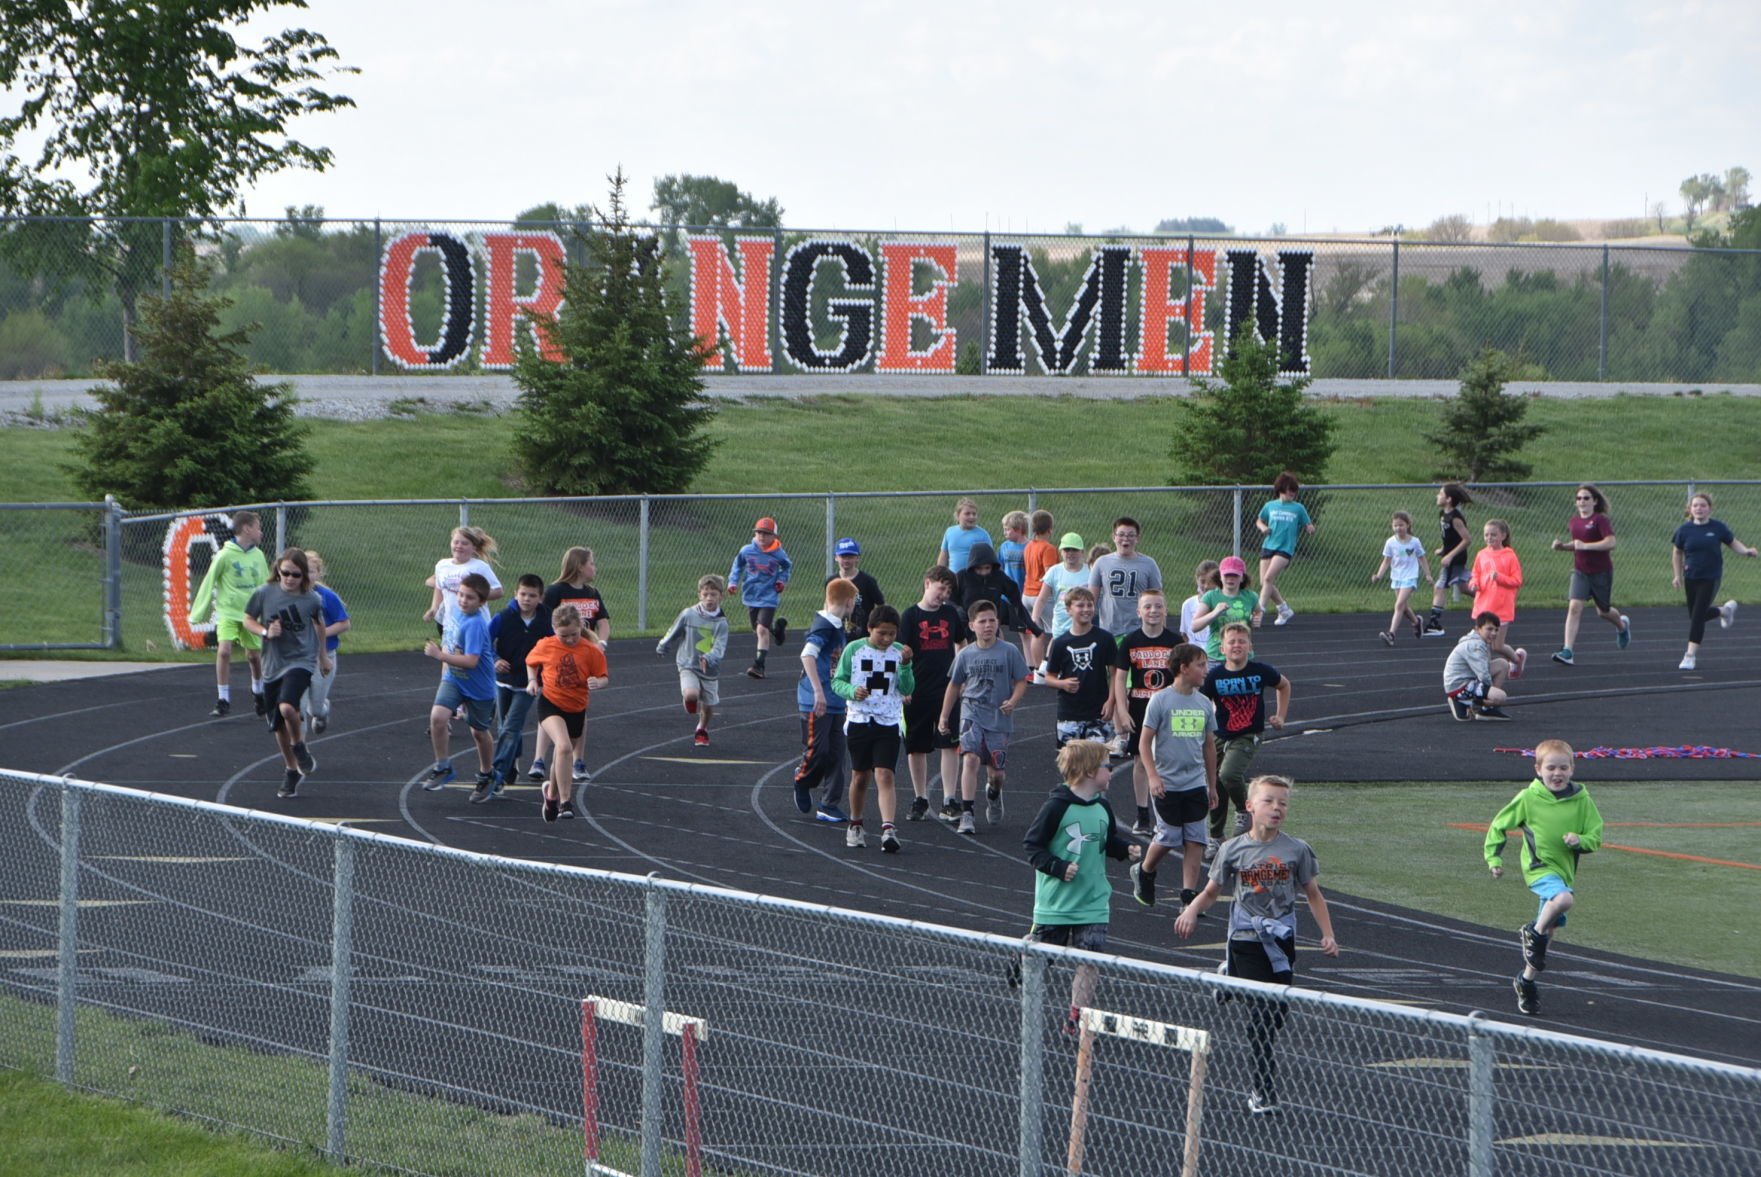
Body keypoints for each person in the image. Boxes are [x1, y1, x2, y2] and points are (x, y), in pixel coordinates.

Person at [1175, 774, 1340, 1114]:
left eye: (1282, 803)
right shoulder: (1232, 849)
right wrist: (1191, 911)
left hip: (1280, 941)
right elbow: (1211, 890)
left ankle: (1229, 978)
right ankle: (1263, 1089)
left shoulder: (1297, 850)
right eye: (1268, 801)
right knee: (1261, 1018)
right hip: (1245, 939)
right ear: (1249, 806)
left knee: (1277, 1013)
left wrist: (1328, 934)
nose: (1276, 808)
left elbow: (1313, 894)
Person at [1022, 739, 1144, 1029]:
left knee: (1090, 960)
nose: (1112, 772)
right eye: (1107, 766)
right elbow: (1032, 846)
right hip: (1057, 904)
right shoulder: (1056, 807)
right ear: (1090, 771)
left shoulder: (1103, 807)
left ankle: (1076, 1016)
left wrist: (1123, 849)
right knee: (1042, 959)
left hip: (1093, 902)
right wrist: (1058, 866)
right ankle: (1025, 954)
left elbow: (1105, 841)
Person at [1483, 739, 1603, 1017]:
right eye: (1550, 768)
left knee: (1548, 935)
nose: (1557, 773)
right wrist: (1495, 859)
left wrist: (1579, 840)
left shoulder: (1582, 800)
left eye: (1563, 767)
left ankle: (1525, 982)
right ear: (1538, 769)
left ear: (1572, 769)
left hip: (1564, 873)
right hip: (1538, 868)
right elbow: (1499, 826)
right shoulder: (1528, 798)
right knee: (1563, 900)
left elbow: (1595, 837)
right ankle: (1530, 933)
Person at [1128, 643, 1217, 916]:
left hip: (1195, 783)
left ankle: (1188, 896)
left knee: (1196, 840)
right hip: (1167, 782)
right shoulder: (1161, 700)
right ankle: (1144, 870)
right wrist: (1153, 777)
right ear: (1184, 668)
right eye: (1201, 665)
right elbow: (1144, 743)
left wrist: (1211, 785)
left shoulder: (1203, 703)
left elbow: (1209, 746)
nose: (1206, 670)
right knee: (1168, 837)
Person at [242, 548, 331, 799]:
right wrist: (265, 632)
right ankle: (291, 769)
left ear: (303, 576)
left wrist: (323, 656)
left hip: (300, 660)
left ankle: (299, 746)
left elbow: (319, 626)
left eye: (296, 574)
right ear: (277, 571)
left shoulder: (311, 599)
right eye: (285, 573)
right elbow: (248, 619)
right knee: (278, 725)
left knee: (288, 707)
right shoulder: (264, 593)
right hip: (272, 664)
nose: (290, 579)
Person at [939, 599, 1031, 836]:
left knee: (996, 772)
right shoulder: (966, 655)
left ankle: (994, 792)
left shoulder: (1008, 651)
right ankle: (968, 812)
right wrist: (944, 716)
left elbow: (1022, 680)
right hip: (971, 713)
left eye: (992, 620)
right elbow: (954, 685)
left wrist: (1013, 700)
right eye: (982, 621)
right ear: (972, 626)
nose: (988, 625)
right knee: (969, 759)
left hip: (998, 716)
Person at [1202, 623, 1290, 861]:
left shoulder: (1259, 671)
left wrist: (1280, 715)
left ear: (1250, 647)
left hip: (1248, 733)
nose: (1237, 646)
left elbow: (1283, 684)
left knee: (1229, 774)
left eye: (1242, 641)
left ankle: (1244, 810)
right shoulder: (1215, 676)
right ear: (1222, 648)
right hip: (1221, 734)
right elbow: (1201, 702)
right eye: (1232, 642)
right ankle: (1216, 835)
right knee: (1215, 784)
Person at [831, 605, 915, 852]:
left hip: (888, 720)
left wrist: (907, 665)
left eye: (892, 634)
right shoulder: (854, 649)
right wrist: (851, 692)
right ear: (869, 629)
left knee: (885, 774)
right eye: (881, 634)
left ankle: (888, 829)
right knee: (860, 776)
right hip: (860, 720)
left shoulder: (900, 652)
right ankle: (855, 823)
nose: (887, 639)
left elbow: (908, 688)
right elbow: (837, 680)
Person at [534, 547, 613, 786]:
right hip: (559, 656)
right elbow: (547, 621)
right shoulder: (557, 591)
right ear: (579, 566)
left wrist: (601, 643)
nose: (594, 568)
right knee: (551, 704)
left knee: (578, 706)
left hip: (584, 656)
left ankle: (578, 760)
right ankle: (539, 758)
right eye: (591, 563)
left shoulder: (592, 592)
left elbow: (603, 622)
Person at [524, 605, 609, 822]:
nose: (570, 640)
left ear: (581, 627)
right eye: (564, 636)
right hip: (551, 703)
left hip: (576, 707)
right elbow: (530, 662)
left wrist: (598, 683)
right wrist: (533, 680)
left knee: (562, 754)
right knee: (563, 747)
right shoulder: (546, 645)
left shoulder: (591, 650)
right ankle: (565, 802)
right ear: (554, 629)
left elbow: (604, 676)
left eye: (574, 634)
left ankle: (550, 794)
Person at [1109, 588, 1180, 836]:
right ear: (1139, 611)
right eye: (1148, 606)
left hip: (1169, 708)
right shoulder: (1130, 641)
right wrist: (1122, 711)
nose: (1153, 611)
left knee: (1169, 759)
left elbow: (1185, 674)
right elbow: (1119, 679)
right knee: (1141, 760)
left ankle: (1167, 811)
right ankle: (1142, 814)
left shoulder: (1175, 641)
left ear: (1165, 610)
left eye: (1158, 606)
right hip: (1140, 706)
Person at [901, 566, 969, 824]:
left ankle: (950, 799)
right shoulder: (910, 615)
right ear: (927, 583)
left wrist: (960, 673)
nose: (944, 595)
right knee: (916, 746)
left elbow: (961, 643)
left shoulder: (951, 613)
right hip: (917, 690)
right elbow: (901, 652)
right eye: (941, 588)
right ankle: (920, 797)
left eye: (948, 591)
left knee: (949, 744)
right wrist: (902, 687)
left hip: (946, 690)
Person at [422, 572, 498, 798]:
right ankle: (443, 765)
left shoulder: (475, 624)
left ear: (481, 602)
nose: (463, 600)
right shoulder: (454, 612)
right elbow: (450, 641)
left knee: (479, 732)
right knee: (437, 717)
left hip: (478, 686)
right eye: (461, 595)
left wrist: (439, 656)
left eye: (470, 598)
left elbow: (472, 661)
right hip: (454, 679)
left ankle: (487, 773)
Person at [189, 510, 269, 717]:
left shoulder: (258, 556)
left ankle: (258, 692)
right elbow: (209, 580)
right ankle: (223, 698)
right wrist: (198, 612)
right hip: (228, 612)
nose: (261, 532)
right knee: (224, 651)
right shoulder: (224, 555)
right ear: (247, 528)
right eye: (258, 528)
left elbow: (264, 585)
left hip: (250, 615)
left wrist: (268, 611)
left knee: (254, 656)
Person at [1669, 491, 1758, 670]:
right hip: (1691, 576)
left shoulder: (1718, 528)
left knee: (1697, 617)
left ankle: (1689, 655)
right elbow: (1677, 553)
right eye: (1695, 505)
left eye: (1703, 505)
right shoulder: (1684, 530)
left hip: (1711, 577)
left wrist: (1746, 551)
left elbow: (1733, 543)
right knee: (1695, 615)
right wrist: (1677, 575)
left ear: (1710, 509)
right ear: (1690, 509)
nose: (1699, 508)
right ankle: (1724, 611)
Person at [793, 577, 857, 823]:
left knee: (837, 752)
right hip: (816, 699)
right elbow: (807, 655)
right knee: (818, 749)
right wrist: (818, 691)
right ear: (849, 602)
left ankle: (829, 803)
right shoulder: (824, 625)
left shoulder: (838, 624)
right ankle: (802, 779)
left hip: (837, 698)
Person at [483, 574, 551, 801]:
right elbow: (486, 641)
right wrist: (495, 658)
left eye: (532, 595)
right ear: (515, 594)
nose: (527, 599)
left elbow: (553, 649)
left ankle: (497, 775)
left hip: (529, 683)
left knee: (510, 727)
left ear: (540, 598)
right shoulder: (504, 617)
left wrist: (543, 675)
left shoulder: (546, 622)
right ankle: (511, 766)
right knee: (505, 725)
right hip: (503, 680)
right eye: (523, 594)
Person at [1550, 484, 1631, 666]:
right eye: (1579, 498)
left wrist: (1586, 546)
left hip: (1601, 572)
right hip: (1580, 571)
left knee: (1603, 611)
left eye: (1586, 498)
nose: (1582, 502)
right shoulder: (1574, 522)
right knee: (1574, 607)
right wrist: (1562, 546)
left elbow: (1611, 542)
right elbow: (1577, 544)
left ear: (1594, 501)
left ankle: (1622, 626)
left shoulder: (1600, 520)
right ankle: (1568, 651)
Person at [1040, 587, 1118, 750]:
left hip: (1098, 710)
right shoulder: (1061, 642)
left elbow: (1115, 674)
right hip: (1069, 713)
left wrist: (1111, 701)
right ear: (1068, 609)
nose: (1086, 609)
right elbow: (1048, 677)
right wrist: (1062, 684)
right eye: (1080, 605)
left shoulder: (1105, 639)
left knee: (1099, 764)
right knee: (1071, 765)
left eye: (1089, 605)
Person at [656, 574, 729, 747]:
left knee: (709, 704)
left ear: (721, 596)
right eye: (705, 594)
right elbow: (674, 630)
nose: (709, 599)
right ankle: (689, 699)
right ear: (699, 595)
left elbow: (720, 647)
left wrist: (708, 657)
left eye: (713, 594)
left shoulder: (721, 623)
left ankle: (702, 728)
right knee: (691, 694)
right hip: (687, 663)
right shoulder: (689, 614)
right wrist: (663, 646)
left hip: (709, 669)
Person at [730, 516, 792, 679]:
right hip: (751, 594)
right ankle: (777, 630)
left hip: (769, 596)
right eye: (759, 533)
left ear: (774, 536)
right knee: (758, 630)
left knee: (761, 629)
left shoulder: (779, 554)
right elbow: (737, 566)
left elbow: (786, 568)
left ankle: (759, 665)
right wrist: (732, 582)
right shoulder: (746, 550)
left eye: (766, 533)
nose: (762, 537)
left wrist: (781, 581)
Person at [301, 551, 351, 735]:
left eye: (311, 571)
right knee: (298, 705)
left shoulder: (327, 597)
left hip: (324, 657)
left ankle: (322, 710)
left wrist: (321, 634)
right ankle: (299, 750)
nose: (307, 576)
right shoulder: (290, 596)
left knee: (314, 708)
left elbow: (345, 623)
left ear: (318, 574)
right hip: (299, 657)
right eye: (303, 571)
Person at [1469, 519, 1526, 679]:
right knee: (1482, 644)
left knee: (1497, 645)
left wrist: (1500, 578)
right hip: (1483, 606)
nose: (1489, 538)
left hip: (1501, 608)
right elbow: (1476, 574)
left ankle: (1516, 659)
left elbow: (1517, 580)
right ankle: (1485, 676)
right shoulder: (1481, 554)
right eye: (1486, 535)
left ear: (1503, 535)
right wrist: (1474, 584)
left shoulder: (1509, 556)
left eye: (1493, 535)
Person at [1256, 472, 1315, 627]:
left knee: (1269, 578)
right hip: (1269, 545)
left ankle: (1259, 609)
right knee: (1264, 582)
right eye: (1290, 490)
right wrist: (1263, 528)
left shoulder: (1298, 508)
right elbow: (1259, 520)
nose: (1292, 494)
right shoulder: (1270, 505)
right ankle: (1283, 608)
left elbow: (1307, 523)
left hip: (1285, 548)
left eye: (1294, 491)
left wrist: (1310, 527)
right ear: (1281, 489)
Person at [1089, 517, 1162, 637]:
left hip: (1139, 630)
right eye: (1121, 534)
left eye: (1130, 535)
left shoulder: (1149, 564)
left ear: (1137, 538)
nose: (1125, 539)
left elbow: (1158, 600)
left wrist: (1160, 633)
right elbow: (1091, 599)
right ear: (1114, 537)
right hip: (1109, 630)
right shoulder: (1101, 563)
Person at [424, 525, 502, 634]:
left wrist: (475, 595)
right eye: (456, 542)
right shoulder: (442, 565)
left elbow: (498, 591)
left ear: (474, 547)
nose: (459, 546)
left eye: (464, 543)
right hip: (450, 623)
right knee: (448, 651)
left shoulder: (479, 567)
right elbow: (439, 588)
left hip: (474, 624)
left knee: (470, 651)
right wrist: (433, 608)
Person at [1371, 511, 1433, 645]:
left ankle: (1391, 634)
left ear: (1407, 525)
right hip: (1397, 577)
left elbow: (1422, 558)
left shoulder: (1414, 542)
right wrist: (1379, 575)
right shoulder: (1390, 542)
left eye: (1401, 525)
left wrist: (1428, 575)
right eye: (1395, 525)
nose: (1398, 528)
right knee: (1403, 607)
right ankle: (1416, 622)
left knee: (1398, 605)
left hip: (1410, 577)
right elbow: (1386, 561)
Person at [1189, 556, 1262, 665]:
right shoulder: (1210, 597)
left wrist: (1257, 619)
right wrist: (1215, 612)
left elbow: (1258, 612)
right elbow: (1194, 626)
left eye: (1235, 575)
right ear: (1220, 577)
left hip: (1243, 656)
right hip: (1217, 655)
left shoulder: (1251, 597)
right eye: (1227, 575)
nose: (1230, 579)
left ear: (1242, 577)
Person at [1443, 611, 1515, 721]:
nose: (1494, 633)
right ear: (1478, 629)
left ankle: (1487, 709)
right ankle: (1460, 699)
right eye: (1489, 629)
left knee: (1502, 664)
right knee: (1500, 697)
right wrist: (1489, 694)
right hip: (1459, 685)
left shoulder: (1479, 641)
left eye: (1496, 630)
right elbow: (1483, 674)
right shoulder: (1475, 645)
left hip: (1466, 679)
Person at [1425, 483, 1474, 636]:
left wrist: (1450, 555)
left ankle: (1434, 624)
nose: (1437, 496)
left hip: (1456, 558)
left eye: (1440, 493)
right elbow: (1450, 538)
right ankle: (1491, 600)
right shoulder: (1442, 514)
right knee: (1463, 588)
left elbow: (1466, 540)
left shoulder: (1455, 518)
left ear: (1448, 499)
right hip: (1451, 556)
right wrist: (1443, 549)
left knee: (1440, 587)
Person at [1032, 533, 1090, 645]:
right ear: (1061, 552)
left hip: (1083, 626)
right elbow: (1042, 599)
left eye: (1074, 550)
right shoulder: (1055, 571)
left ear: (1082, 552)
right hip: (1061, 626)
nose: (1070, 553)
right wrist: (1034, 618)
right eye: (1067, 550)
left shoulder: (1089, 572)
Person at [825, 537, 884, 639]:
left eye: (850, 557)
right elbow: (827, 604)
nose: (846, 560)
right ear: (836, 557)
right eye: (843, 556)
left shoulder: (867, 581)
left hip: (863, 634)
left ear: (857, 558)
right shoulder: (832, 581)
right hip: (838, 633)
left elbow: (881, 604)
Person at [1022, 509, 1059, 667]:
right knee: (1059, 631)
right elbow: (1050, 574)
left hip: (1027, 593)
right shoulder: (1048, 548)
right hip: (1040, 595)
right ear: (1049, 529)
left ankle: (1037, 669)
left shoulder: (1029, 546)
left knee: (1037, 633)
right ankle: (1049, 666)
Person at [1177, 560, 1221, 658]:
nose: (1206, 586)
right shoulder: (1188, 605)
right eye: (1202, 581)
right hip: (1195, 656)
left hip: (1217, 655)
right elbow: (1185, 635)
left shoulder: (1222, 605)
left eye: (1211, 582)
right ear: (1196, 579)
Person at [937, 496, 992, 574]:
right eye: (967, 514)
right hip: (954, 578)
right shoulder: (950, 532)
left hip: (973, 579)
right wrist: (939, 573)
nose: (972, 517)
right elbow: (943, 556)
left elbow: (989, 559)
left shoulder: (982, 535)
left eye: (974, 514)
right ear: (957, 515)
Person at [998, 509, 1029, 589]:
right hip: (1007, 592)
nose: (1004, 532)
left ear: (1019, 529)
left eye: (1007, 529)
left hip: (1024, 590)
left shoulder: (1030, 547)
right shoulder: (1004, 546)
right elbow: (1000, 567)